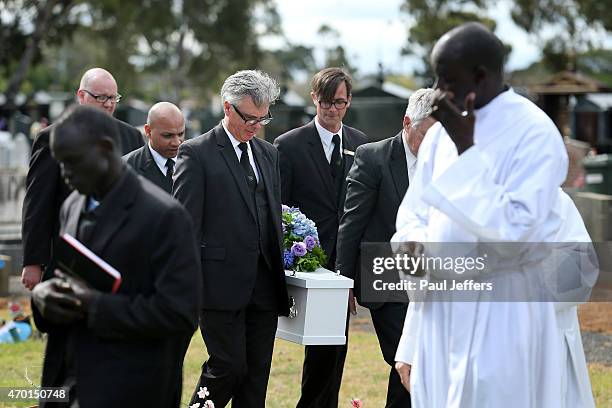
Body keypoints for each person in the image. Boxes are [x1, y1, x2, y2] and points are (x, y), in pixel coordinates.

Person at [392, 22, 569, 407]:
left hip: (502, 314)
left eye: (447, 79)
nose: (438, 91)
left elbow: (517, 230)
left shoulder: (534, 133)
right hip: (441, 311)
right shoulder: (439, 135)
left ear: (481, 76)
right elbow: (411, 215)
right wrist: (424, 265)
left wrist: (467, 151)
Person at [31, 104, 201, 407]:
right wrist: (43, 296)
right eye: (60, 163)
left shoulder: (164, 217)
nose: (65, 173)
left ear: (106, 149)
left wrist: (95, 306)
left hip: (129, 387)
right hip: (68, 382)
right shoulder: (72, 205)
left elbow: (179, 313)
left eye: (72, 162)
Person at [173, 70, 290, 408]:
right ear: (227, 108)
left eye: (263, 117)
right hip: (217, 286)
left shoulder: (269, 154)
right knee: (227, 366)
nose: (256, 125)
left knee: (256, 375)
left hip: (265, 287)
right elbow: (185, 226)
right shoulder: (196, 154)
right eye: (249, 117)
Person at [336, 88, 437, 408]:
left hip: (429, 277)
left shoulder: (445, 160)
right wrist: (344, 279)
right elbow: (352, 221)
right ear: (407, 122)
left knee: (415, 362)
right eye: (427, 134)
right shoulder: (373, 156)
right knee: (409, 359)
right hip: (383, 276)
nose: (434, 144)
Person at [273, 67, 368, 408]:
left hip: (345, 263)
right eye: (326, 101)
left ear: (348, 102)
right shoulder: (288, 145)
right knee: (319, 346)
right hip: (307, 263)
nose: (332, 109)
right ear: (314, 98)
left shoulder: (361, 144)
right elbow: (280, 209)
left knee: (336, 346)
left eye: (339, 102)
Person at [21, 67, 144, 290]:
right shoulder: (51, 138)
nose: (108, 103)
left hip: (121, 259)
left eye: (113, 97)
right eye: (101, 97)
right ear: (81, 96)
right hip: (69, 259)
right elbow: (38, 204)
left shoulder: (131, 136)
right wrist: (32, 261)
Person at [124, 102, 185, 193]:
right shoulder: (126, 168)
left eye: (181, 134)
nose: (176, 142)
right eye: (168, 135)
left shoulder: (194, 162)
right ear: (148, 131)